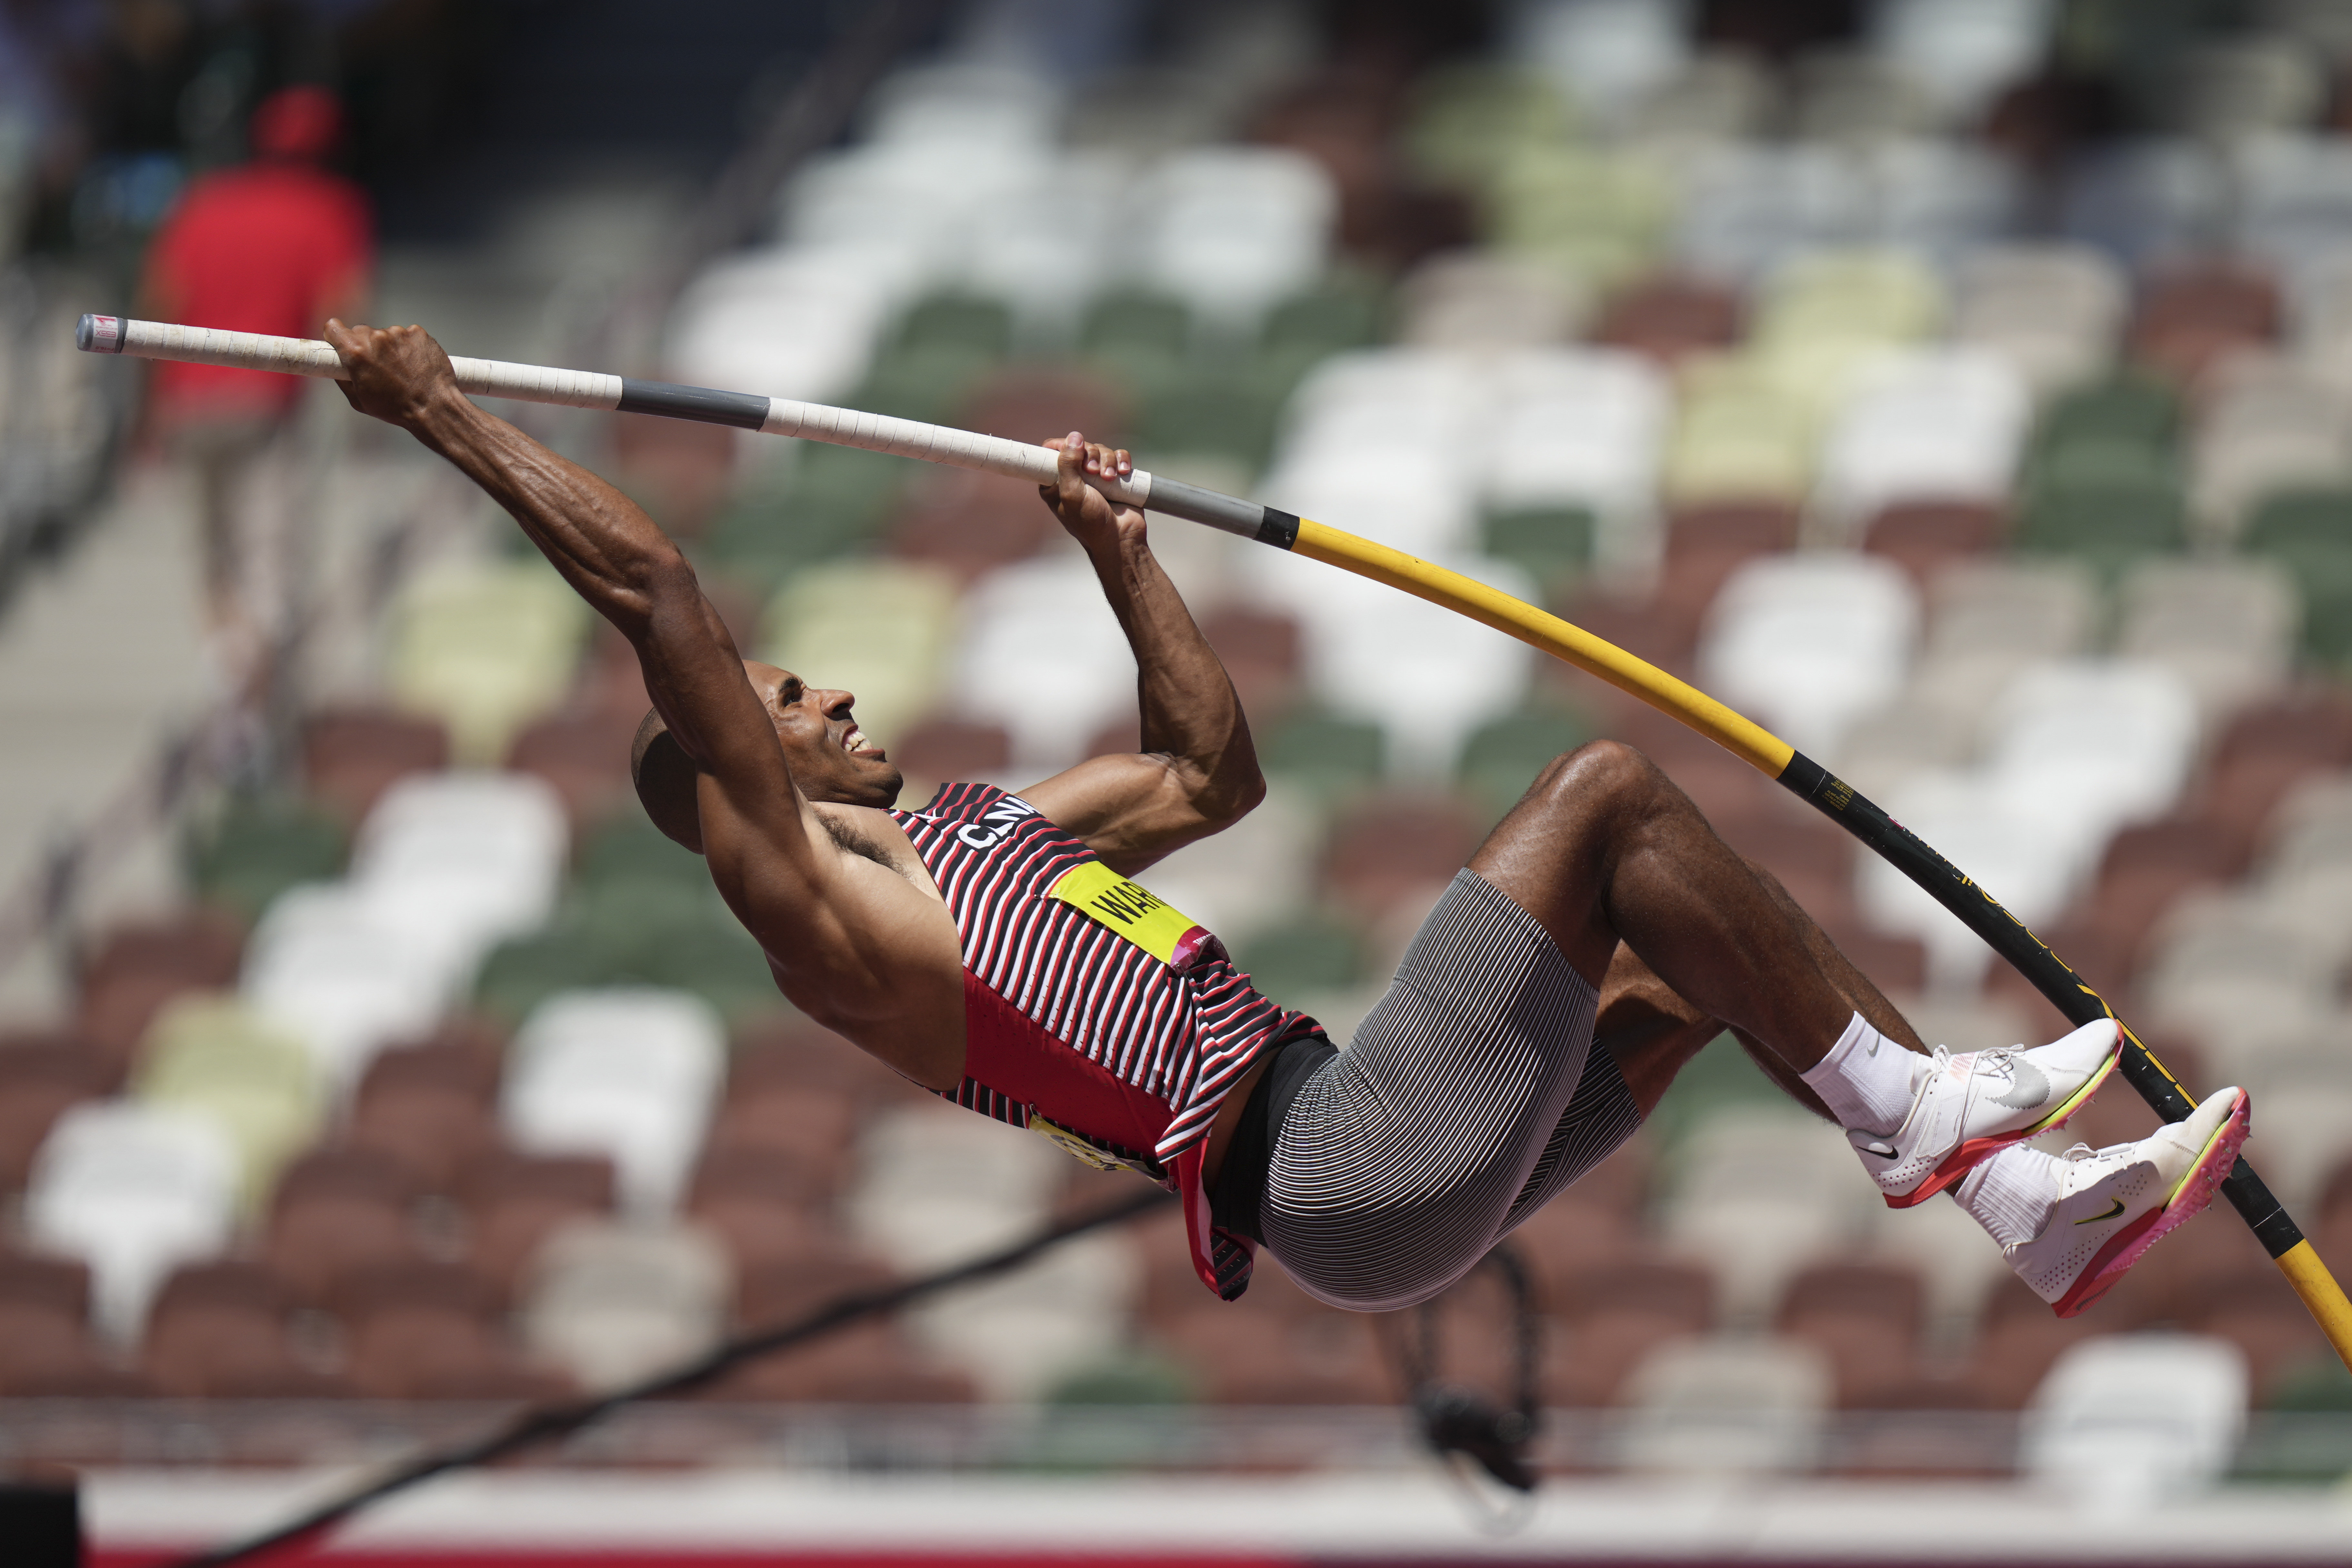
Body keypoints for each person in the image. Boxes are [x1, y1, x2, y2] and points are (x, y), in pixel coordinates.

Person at [320, 319, 2251, 1323]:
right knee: (1597, 794)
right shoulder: (812, 906)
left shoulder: (989, 832)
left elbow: (1207, 773)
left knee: (1674, 956)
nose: (822, 697)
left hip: (1365, 1164)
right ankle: (1936, 1132)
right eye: (783, 708)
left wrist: (1116, 551)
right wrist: (443, 419)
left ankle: (2015, 1203)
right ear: (735, 783)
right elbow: (660, 598)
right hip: (1320, 1161)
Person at [141, 84, 373, 675]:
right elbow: (344, 312)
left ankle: (226, 672)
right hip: (265, 399)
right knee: (269, 554)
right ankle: (256, 699)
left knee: (214, 555)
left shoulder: (204, 203)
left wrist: (146, 414)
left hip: (188, 398)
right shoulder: (329, 208)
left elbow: (160, 301)